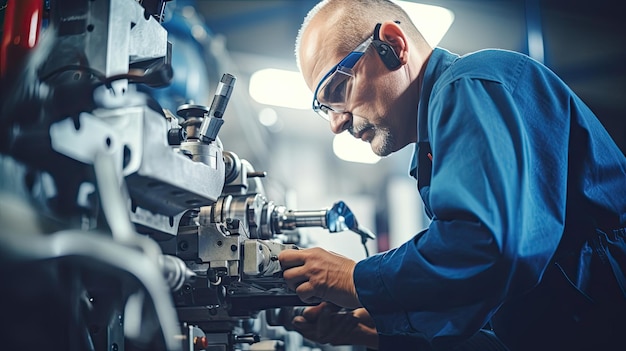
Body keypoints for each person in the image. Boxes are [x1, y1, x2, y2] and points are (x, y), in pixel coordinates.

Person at [278, 0, 626, 350]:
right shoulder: (432, 149)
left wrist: (355, 280)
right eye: (325, 109)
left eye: (338, 90)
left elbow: (485, 246)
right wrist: (376, 332)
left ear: (393, 46)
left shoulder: (469, 84)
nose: (337, 122)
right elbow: (502, 314)